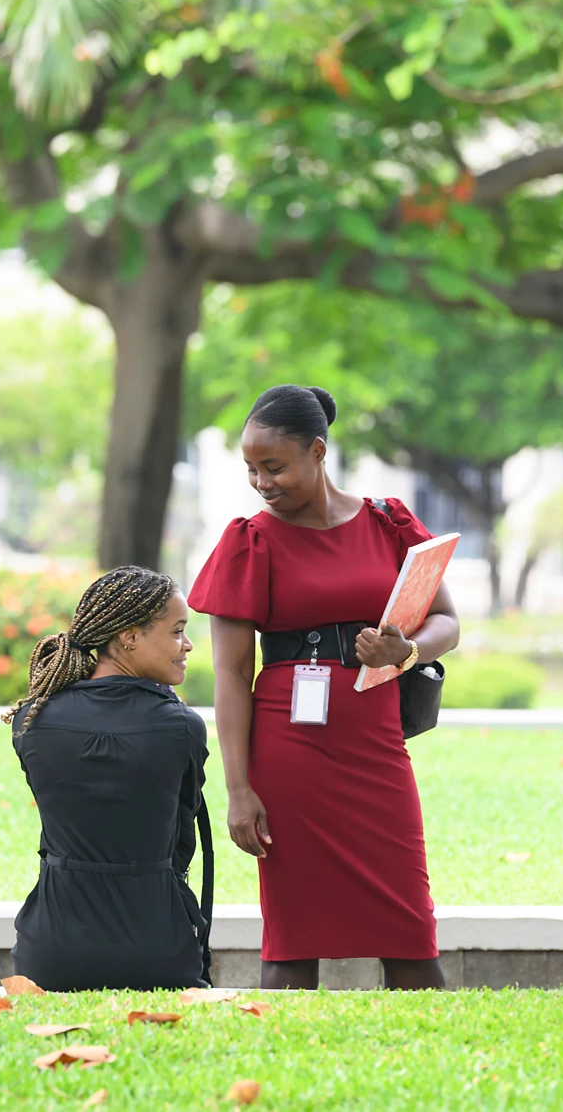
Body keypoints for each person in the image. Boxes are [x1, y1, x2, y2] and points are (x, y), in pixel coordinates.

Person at [189, 385, 460, 991]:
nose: (261, 482)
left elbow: (448, 622)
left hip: (376, 743)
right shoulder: (248, 540)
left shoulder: (388, 523)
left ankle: (431, 1055)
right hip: (290, 753)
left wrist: (408, 651)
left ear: (317, 451)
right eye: (251, 469)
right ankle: (284, 1055)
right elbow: (232, 676)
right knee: (293, 932)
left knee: (411, 929)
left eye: (274, 466)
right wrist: (238, 788)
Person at [6, 567, 212, 992]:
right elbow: (180, 838)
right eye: (177, 631)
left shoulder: (32, 720)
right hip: (157, 949)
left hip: (50, 952)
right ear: (129, 637)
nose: (187, 645)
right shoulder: (181, 727)